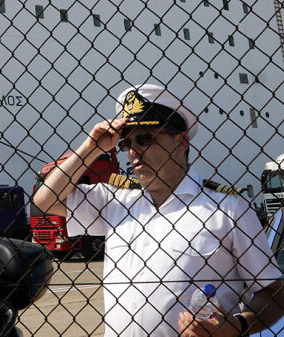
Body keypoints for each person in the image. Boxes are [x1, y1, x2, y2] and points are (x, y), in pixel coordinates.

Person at [34, 83, 284, 337]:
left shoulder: (228, 208)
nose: (134, 151)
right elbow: (46, 199)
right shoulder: (115, 200)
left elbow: (273, 294)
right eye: (127, 143)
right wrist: (91, 148)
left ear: (181, 142)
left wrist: (239, 326)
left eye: (145, 138)